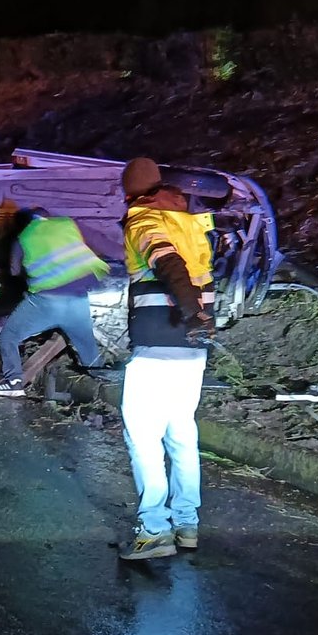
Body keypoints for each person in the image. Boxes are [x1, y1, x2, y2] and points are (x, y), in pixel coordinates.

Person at [116, 157, 216, 561]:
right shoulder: (189, 223)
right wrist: (201, 321)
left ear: (129, 193)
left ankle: (153, 530)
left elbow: (167, 261)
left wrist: (190, 312)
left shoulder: (143, 221)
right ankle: (187, 524)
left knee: (143, 438)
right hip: (192, 352)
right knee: (181, 434)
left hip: (157, 347)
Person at [0, 208, 110, 398]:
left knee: (9, 336)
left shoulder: (24, 237)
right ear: (48, 216)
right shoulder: (67, 223)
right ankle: (101, 380)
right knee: (86, 343)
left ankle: (14, 383)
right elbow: (104, 243)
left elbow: (13, 270)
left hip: (46, 302)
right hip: (78, 298)